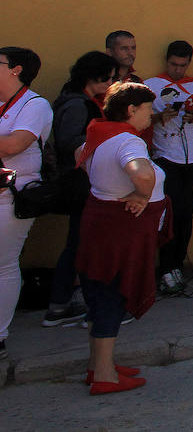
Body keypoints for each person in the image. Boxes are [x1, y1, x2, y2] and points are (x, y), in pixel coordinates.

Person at [74, 80, 166, 394]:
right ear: (131, 109)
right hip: (119, 231)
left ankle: (99, 366)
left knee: (99, 295)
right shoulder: (128, 140)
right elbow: (141, 172)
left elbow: (80, 157)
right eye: (148, 109)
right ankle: (104, 376)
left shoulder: (99, 133)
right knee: (110, 297)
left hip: (98, 224)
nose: (150, 116)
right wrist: (142, 194)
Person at [43, 51, 118, 328]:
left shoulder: (83, 101)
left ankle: (62, 303)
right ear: (92, 78)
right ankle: (73, 304)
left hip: (83, 180)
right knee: (82, 245)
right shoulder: (76, 105)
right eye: (107, 78)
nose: (110, 84)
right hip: (80, 182)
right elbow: (69, 142)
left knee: (78, 243)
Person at [145, 41, 193, 296]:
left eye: (183, 65)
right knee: (169, 213)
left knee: (186, 214)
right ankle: (165, 268)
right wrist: (158, 117)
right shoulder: (152, 85)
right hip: (165, 156)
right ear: (166, 61)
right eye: (174, 64)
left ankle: (177, 266)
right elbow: (138, 120)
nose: (178, 70)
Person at [0, 47, 53, 364]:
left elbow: (14, 144)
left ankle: (0, 336)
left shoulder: (35, 105)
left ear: (15, 70)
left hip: (12, 196)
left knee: (3, 264)